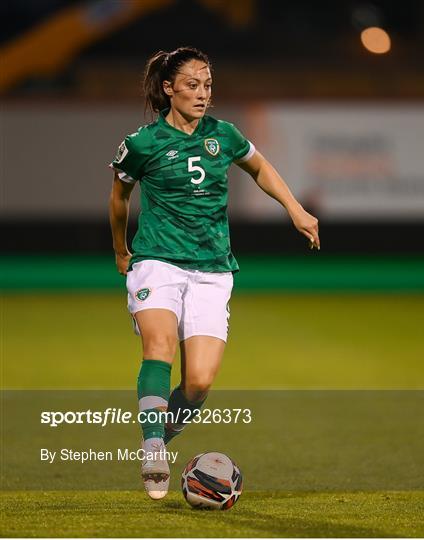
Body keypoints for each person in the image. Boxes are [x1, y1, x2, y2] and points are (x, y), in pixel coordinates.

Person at [109, 46, 320, 500]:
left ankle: (158, 440)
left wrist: (295, 209)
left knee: (200, 382)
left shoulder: (223, 135)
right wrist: (121, 249)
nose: (203, 94)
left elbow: (259, 166)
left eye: (207, 84)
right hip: (156, 261)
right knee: (159, 346)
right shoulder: (141, 144)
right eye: (192, 85)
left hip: (212, 268)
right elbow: (119, 199)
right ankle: (151, 447)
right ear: (168, 89)